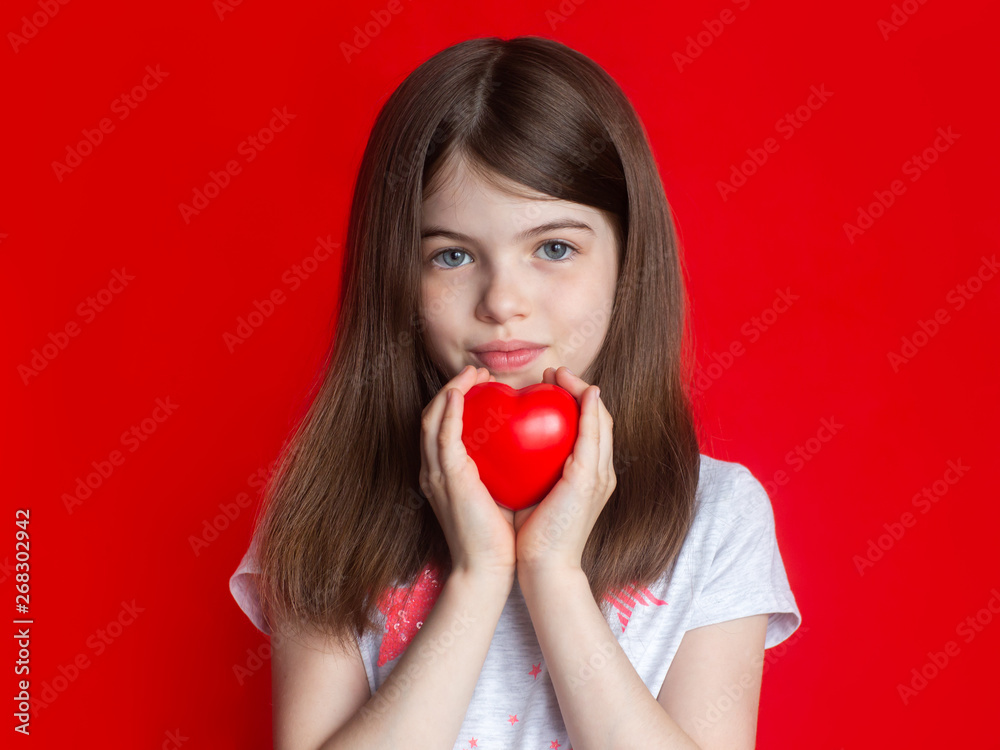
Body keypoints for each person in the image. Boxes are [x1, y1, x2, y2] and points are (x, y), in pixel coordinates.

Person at [228, 35, 802, 750]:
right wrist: (478, 575)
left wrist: (552, 574)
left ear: (628, 259)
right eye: (453, 255)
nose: (502, 300)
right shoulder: (330, 501)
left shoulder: (715, 515)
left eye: (554, 248)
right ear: (396, 275)